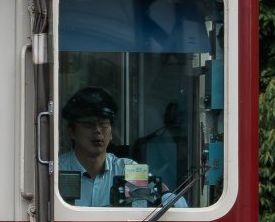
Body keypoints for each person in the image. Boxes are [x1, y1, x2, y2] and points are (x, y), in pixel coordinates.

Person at [57, 86, 185, 209]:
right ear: (72, 132)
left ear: (111, 133)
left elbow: (179, 207)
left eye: (103, 124)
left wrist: (165, 196)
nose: (97, 130)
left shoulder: (127, 170)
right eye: (88, 124)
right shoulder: (57, 170)